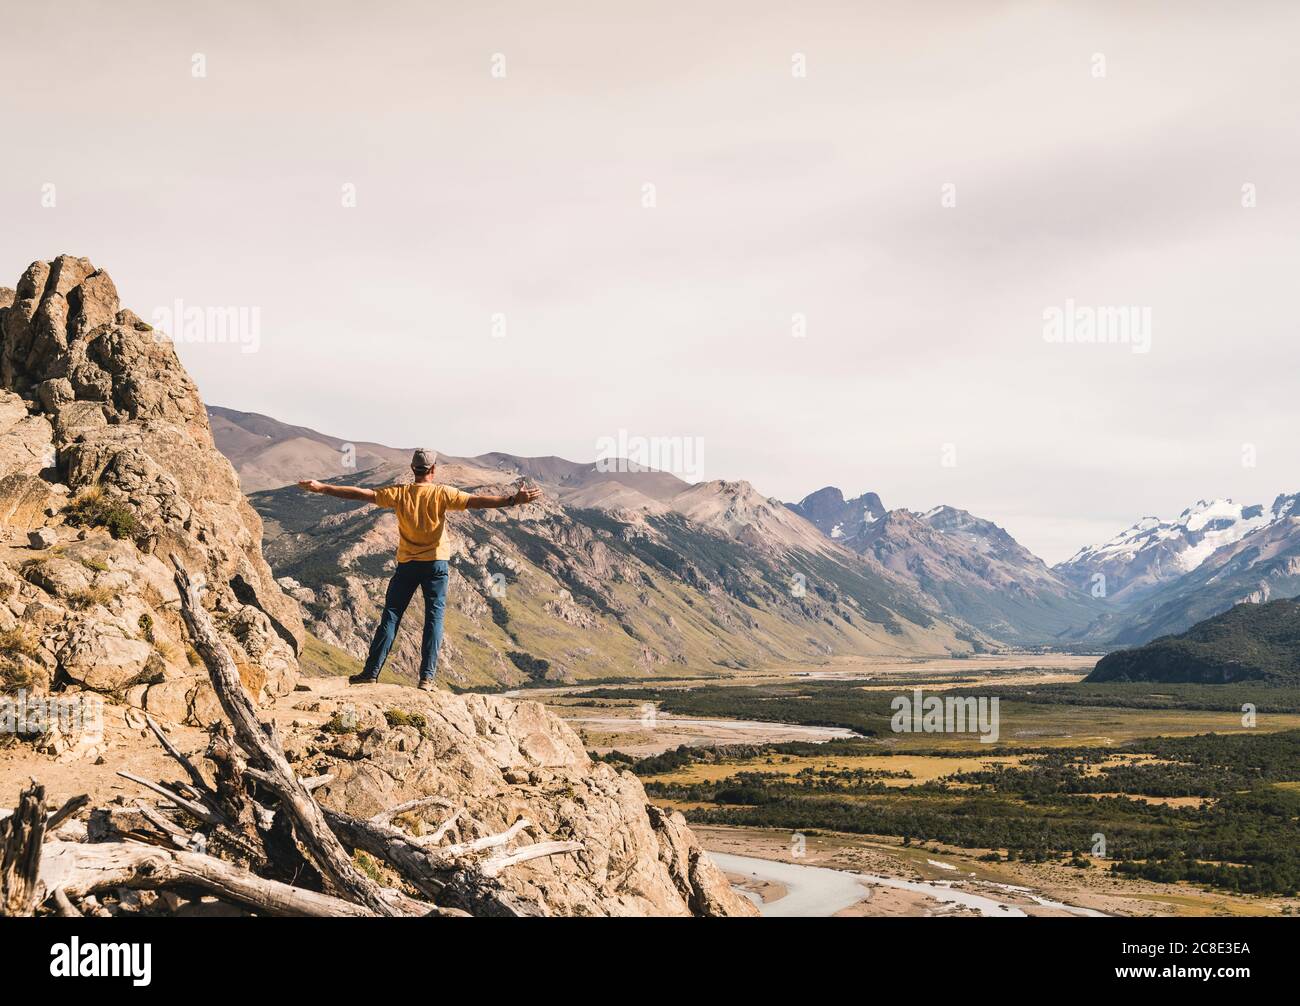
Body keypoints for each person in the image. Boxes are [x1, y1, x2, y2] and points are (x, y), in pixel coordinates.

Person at [297, 449, 542, 690]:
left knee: (391, 617)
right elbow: (476, 502)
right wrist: (512, 500)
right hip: (436, 564)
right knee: (433, 620)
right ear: (433, 470)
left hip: (407, 565)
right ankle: (426, 679)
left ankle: (371, 673)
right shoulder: (443, 494)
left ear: (413, 469)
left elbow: (362, 494)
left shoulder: (400, 494)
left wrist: (322, 487)